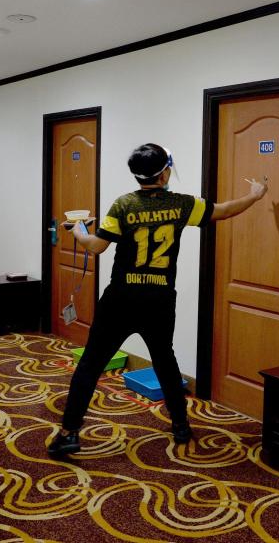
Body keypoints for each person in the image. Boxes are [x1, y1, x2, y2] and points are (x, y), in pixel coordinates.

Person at [47, 143, 267, 457]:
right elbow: (224, 210)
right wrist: (255, 195)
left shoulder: (122, 205)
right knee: (165, 361)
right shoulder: (181, 205)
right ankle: (181, 426)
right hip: (160, 299)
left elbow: (96, 247)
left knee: (90, 365)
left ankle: (68, 433)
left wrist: (80, 231)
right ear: (164, 173)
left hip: (121, 298)